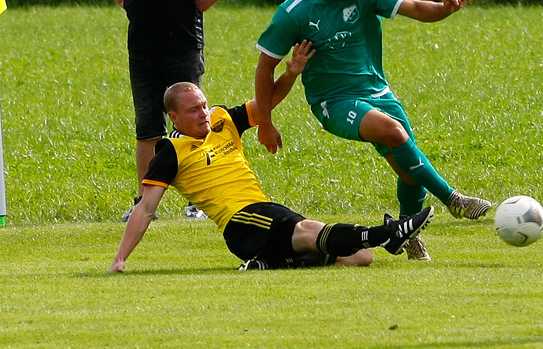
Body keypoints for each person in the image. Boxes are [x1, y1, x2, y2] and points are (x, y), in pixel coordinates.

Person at [254, 0, 491, 263]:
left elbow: (415, 8)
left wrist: (443, 8)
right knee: (395, 134)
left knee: (411, 174)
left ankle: (408, 238)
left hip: (379, 92)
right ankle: (453, 198)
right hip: (333, 102)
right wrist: (265, 122)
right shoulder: (295, 11)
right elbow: (265, 67)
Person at [109, 46, 433, 273]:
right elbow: (146, 208)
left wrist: (291, 72)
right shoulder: (170, 152)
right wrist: (121, 258)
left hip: (265, 212)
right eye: (194, 110)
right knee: (311, 234)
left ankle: (269, 263)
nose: (204, 113)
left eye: (204, 105)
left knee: (361, 257)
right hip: (241, 222)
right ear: (174, 117)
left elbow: (267, 103)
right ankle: (389, 234)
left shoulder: (224, 120)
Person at [97, 0, 256, 222]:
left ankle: (197, 201)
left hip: (183, 44)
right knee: (147, 125)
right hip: (141, 46)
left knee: (194, 122)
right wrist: (125, 0)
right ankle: (143, 204)